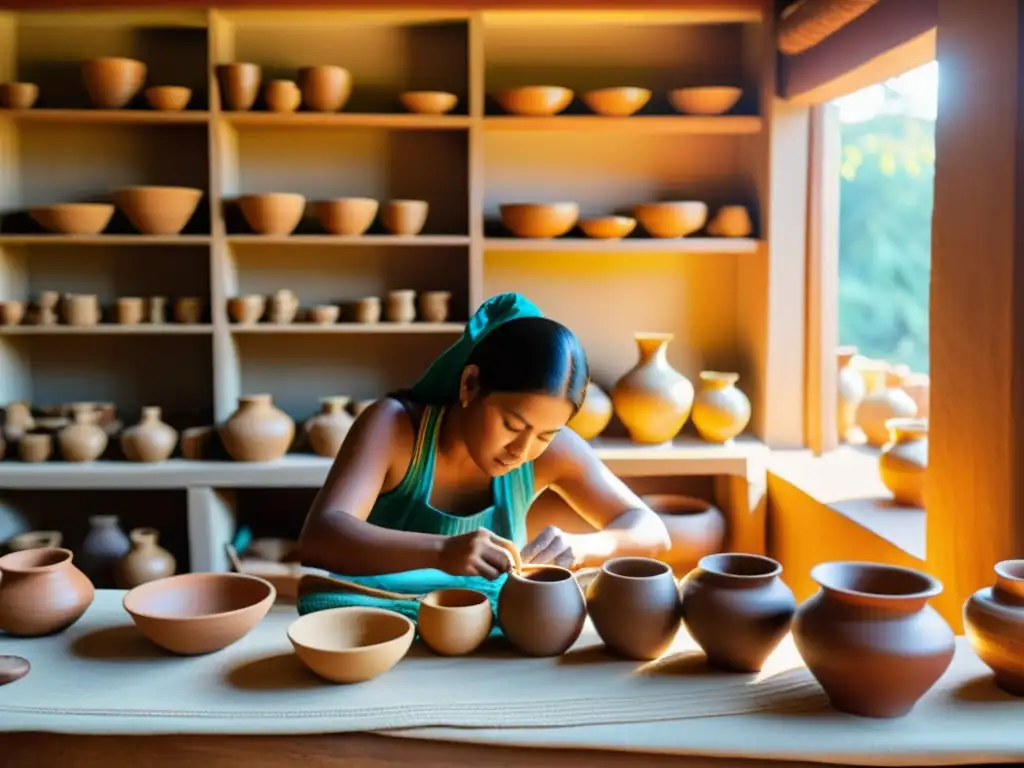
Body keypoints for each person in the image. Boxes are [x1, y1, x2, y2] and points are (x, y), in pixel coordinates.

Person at [297, 292, 670, 621]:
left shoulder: (551, 451)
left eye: (545, 434)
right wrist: (442, 551)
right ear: (469, 384)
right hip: (380, 623)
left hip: (483, 630)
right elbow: (320, 538)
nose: (522, 451)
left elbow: (652, 532)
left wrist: (587, 545)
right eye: (511, 424)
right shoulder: (394, 427)